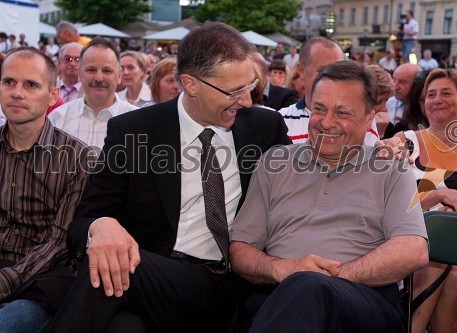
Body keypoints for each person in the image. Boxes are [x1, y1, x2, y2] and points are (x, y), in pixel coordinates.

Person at [48, 21, 292, 333]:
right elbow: (82, 223)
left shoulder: (264, 128)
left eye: (250, 85)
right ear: (191, 84)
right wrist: (101, 225)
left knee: (124, 266)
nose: (246, 100)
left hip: (229, 283)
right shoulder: (133, 132)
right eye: (235, 91)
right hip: (155, 285)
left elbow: (305, 183)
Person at [230, 60, 429, 333]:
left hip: (362, 301)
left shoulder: (391, 168)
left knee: (310, 288)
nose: (327, 122)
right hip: (277, 295)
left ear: (370, 116)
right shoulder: (275, 163)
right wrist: (285, 270)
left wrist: (332, 276)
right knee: (301, 292)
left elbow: (414, 250)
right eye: (319, 109)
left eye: (343, 113)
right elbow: (240, 250)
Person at [394, 68, 457, 333]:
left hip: (456, 247)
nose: (437, 99)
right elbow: (389, 205)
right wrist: (438, 196)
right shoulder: (403, 142)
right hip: (404, 237)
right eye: (431, 94)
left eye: (446, 93)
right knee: (440, 262)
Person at [0, 47, 93, 333]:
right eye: (8, 82)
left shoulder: (79, 159)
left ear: (53, 96)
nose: (17, 92)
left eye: (31, 85)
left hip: (42, 279)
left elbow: (60, 242)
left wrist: (6, 280)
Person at [48, 38, 136, 151]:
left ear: (119, 76)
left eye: (107, 71)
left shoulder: (137, 121)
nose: (99, 78)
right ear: (80, 74)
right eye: (91, 70)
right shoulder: (57, 119)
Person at [366, 64, 395, 139]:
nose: (385, 109)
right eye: (378, 102)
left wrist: (380, 134)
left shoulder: (388, 128)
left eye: (386, 101)